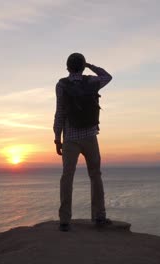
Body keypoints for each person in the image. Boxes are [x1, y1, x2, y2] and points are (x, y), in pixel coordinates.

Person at [53, 52, 112, 232]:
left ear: (68, 67)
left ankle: (64, 220)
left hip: (70, 138)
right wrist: (90, 66)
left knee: (67, 177)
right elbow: (107, 76)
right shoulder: (92, 83)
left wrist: (57, 138)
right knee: (95, 175)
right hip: (90, 136)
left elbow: (60, 112)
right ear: (82, 65)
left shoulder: (61, 85)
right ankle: (99, 217)